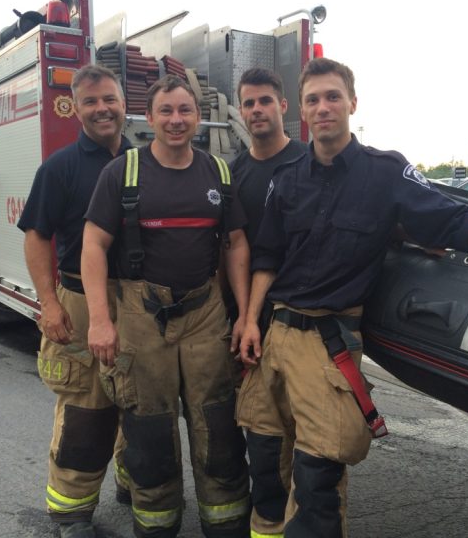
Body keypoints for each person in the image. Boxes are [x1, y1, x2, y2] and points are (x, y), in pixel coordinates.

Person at [235, 57, 468, 538]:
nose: (323, 107)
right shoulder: (287, 180)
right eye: (313, 100)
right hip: (275, 330)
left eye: (332, 97)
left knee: (316, 481)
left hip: (324, 345)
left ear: (352, 102)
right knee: (263, 468)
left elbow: (457, 223)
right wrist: (248, 320)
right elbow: (266, 257)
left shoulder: (385, 173)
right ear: (301, 111)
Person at [81, 74, 252, 538]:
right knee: (150, 429)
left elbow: (235, 245)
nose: (176, 120)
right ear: (150, 117)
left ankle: (226, 523)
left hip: (206, 313)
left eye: (185, 111)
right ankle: (157, 525)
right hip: (141, 314)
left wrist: (244, 315)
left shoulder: (218, 172)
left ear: (198, 116)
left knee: (217, 424)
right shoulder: (122, 173)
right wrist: (100, 320)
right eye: (166, 111)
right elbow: (93, 244)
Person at [18, 64, 132, 538]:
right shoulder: (60, 167)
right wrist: (49, 303)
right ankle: (72, 510)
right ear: (75, 108)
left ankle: (134, 481)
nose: (102, 108)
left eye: (109, 99)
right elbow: (35, 236)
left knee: (140, 399)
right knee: (86, 407)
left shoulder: (145, 160)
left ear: (125, 102)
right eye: (91, 101)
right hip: (81, 300)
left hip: (137, 302)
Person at [230, 67, 309, 247]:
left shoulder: (310, 161)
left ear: (283, 106)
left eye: (265, 101)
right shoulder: (232, 174)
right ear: (240, 111)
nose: (256, 109)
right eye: (249, 104)